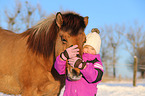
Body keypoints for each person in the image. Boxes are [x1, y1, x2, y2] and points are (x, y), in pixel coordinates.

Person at [54, 28, 104, 96]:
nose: (88, 50)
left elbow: (95, 77)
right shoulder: (75, 57)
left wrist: (83, 67)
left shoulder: (96, 62)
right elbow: (60, 70)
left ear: (96, 50)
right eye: (86, 47)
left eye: (92, 49)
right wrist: (63, 57)